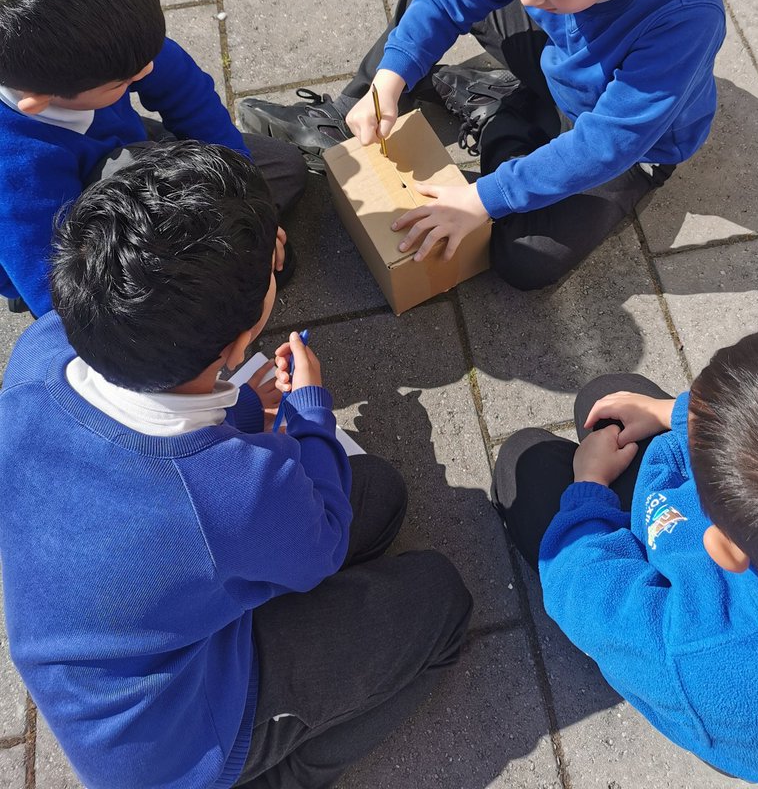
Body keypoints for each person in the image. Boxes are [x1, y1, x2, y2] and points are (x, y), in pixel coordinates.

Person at [0, 141, 472, 789]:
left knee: (381, 497)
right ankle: (277, 771)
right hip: (175, 736)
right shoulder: (232, 491)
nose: (278, 247)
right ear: (237, 342)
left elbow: (171, 476)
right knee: (441, 599)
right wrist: (308, 410)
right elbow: (319, 539)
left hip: (118, 643)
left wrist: (244, 412)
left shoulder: (42, 350)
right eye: (273, 262)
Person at [239, 0, 725, 291]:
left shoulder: (684, 16)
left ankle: (501, 116)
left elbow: (605, 145)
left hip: (627, 140)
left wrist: (481, 200)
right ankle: (354, 109)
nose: (530, 0)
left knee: (525, 259)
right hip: (560, 70)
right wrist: (390, 78)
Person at [491, 329, 758, 787]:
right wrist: (672, 412)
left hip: (722, 711)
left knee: (523, 461)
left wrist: (589, 488)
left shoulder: (695, 647)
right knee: (606, 397)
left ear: (724, 549)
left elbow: (583, 593)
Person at [0, 0, 308, 317]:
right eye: (126, 81)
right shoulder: (16, 175)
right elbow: (58, 301)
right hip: (76, 240)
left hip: (133, 158)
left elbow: (189, 95)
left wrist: (252, 208)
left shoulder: (111, 45)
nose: (148, 71)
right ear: (38, 102)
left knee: (282, 168)